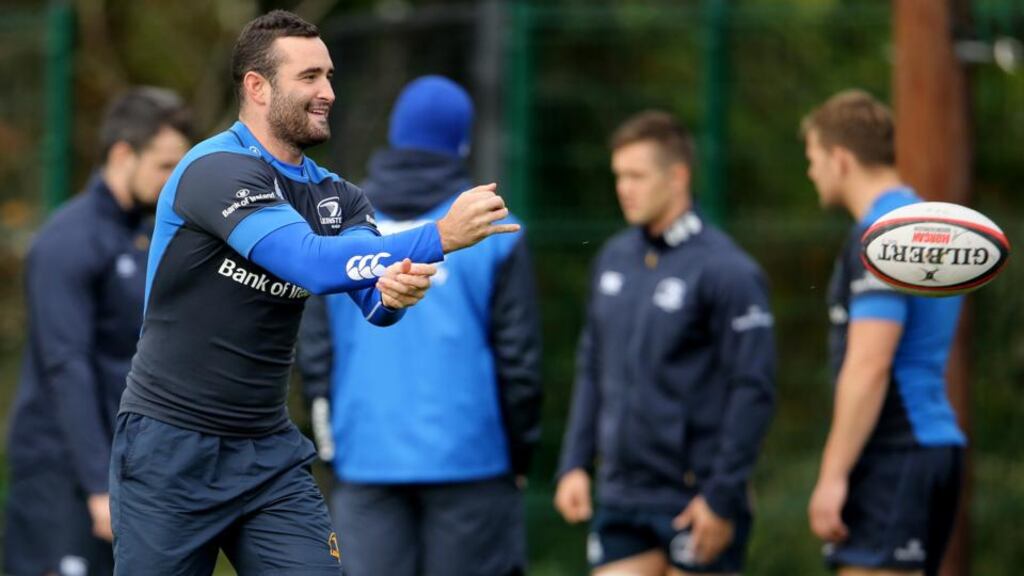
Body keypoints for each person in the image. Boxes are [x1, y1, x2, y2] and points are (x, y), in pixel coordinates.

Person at [108, 10, 517, 576]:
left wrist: (394, 293)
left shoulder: (339, 196)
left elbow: (373, 302)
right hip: (171, 447)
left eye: (328, 76)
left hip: (267, 452)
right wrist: (439, 236)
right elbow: (309, 262)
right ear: (257, 86)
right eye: (308, 77)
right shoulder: (214, 170)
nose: (327, 91)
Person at [296, 75, 541, 576]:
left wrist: (331, 448)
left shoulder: (343, 230)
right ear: (463, 143)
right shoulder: (496, 232)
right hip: (472, 464)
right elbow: (520, 362)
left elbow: (315, 354)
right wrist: (519, 455)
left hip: (365, 462)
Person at [554, 110, 776, 576]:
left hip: (693, 500)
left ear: (678, 176)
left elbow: (753, 388)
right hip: (621, 494)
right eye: (619, 176)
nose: (624, 188)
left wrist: (721, 495)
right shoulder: (614, 258)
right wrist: (574, 462)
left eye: (636, 175)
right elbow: (593, 364)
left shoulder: (727, 270)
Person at [3, 88, 192, 576]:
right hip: (62, 474)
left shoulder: (150, 235)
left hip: (131, 465)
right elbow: (67, 367)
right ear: (122, 154)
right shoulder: (66, 241)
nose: (172, 180)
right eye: (164, 165)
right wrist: (96, 487)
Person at [802, 90, 965, 576]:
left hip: (895, 451)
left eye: (813, 159)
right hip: (930, 447)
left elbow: (870, 364)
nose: (811, 172)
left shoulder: (884, 237)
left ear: (841, 159)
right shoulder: (926, 225)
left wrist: (832, 475)